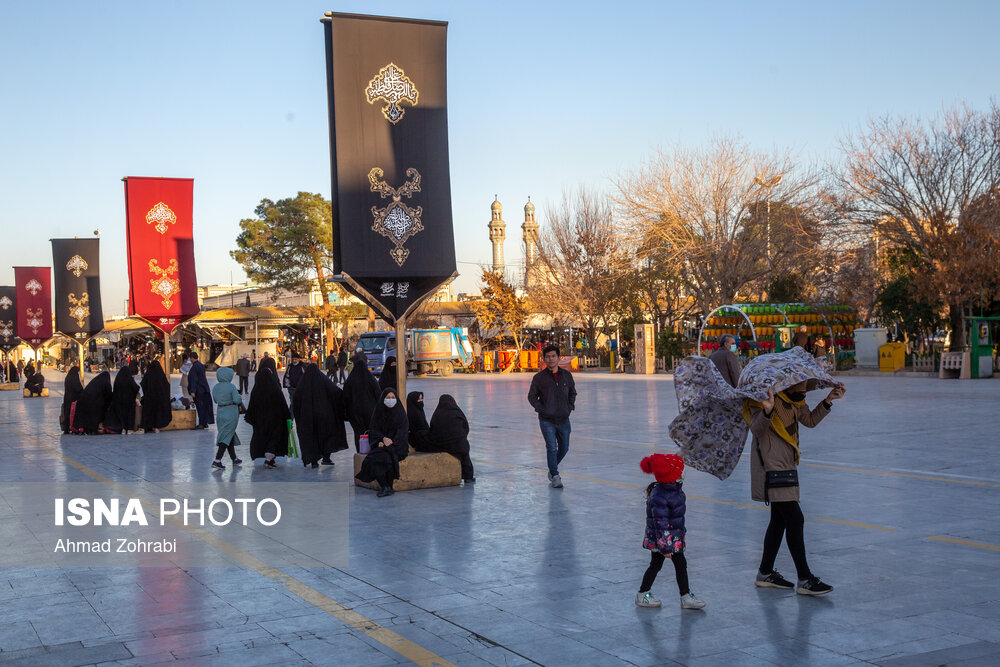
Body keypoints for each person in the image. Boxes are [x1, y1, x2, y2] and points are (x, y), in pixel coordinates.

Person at [747, 380, 846, 596]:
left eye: (806, 386)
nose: (804, 390)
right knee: (794, 518)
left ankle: (764, 572)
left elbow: (809, 421)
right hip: (771, 466)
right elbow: (756, 429)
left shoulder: (796, 400)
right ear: (786, 383)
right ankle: (805, 578)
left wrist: (828, 401)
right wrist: (767, 410)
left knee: (779, 520)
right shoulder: (764, 397)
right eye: (801, 386)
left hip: (788, 464)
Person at [635, 453, 706, 610]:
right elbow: (661, 523)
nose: (683, 472)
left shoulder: (674, 490)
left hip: (672, 538)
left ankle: (685, 596)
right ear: (672, 475)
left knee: (677, 564)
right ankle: (644, 594)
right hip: (663, 540)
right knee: (657, 564)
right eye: (680, 470)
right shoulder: (660, 495)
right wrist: (666, 547)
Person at [527, 344, 576, 488]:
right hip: (547, 420)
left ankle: (552, 468)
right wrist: (541, 409)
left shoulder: (566, 375)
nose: (551, 359)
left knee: (564, 447)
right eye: (548, 357)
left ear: (559, 358)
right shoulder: (539, 378)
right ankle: (555, 475)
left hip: (563, 419)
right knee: (551, 448)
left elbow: (572, 393)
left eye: (553, 356)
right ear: (544, 359)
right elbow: (531, 396)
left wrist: (569, 407)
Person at [292, 364, 348, 468]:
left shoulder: (303, 382)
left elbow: (296, 398)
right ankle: (326, 457)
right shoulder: (323, 379)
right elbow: (335, 391)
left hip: (307, 417)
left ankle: (313, 461)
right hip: (324, 415)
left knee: (311, 438)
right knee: (326, 436)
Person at [355, 388, 409, 496]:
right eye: (388, 397)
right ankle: (386, 486)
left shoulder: (400, 413)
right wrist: (380, 440)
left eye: (393, 397)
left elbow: (402, 431)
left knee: (386, 458)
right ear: (383, 399)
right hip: (382, 445)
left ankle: (386, 486)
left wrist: (391, 441)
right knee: (372, 459)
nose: (390, 400)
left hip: (398, 446)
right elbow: (374, 431)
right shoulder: (378, 412)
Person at [244, 365, 289, 468]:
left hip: (261, 421)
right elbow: (283, 403)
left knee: (264, 438)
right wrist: (287, 416)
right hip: (275, 420)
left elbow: (252, 405)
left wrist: (249, 417)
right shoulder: (275, 389)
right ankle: (268, 459)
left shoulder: (256, 390)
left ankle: (270, 459)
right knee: (274, 438)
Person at [429, 394, 476, 483]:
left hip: (442, 444)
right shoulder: (457, 412)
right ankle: (468, 477)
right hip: (459, 444)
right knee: (465, 455)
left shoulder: (437, 414)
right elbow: (466, 427)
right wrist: (461, 437)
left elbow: (432, 429)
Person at [343, 352, 381, 451]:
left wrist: (345, 412)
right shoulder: (371, 379)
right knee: (371, 431)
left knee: (358, 433)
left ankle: (361, 451)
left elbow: (345, 398)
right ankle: (372, 450)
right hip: (370, 411)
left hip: (354, 413)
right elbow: (378, 395)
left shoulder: (350, 381)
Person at [210, 367, 244, 470]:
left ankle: (234, 458)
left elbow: (215, 400)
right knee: (226, 435)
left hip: (220, 412)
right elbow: (237, 400)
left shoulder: (215, 387)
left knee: (228, 434)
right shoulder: (231, 387)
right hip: (230, 412)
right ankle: (217, 460)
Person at [104, 364, 140, 434]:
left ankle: (123, 428)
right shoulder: (129, 379)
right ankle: (129, 429)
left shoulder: (118, 379)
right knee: (129, 414)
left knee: (121, 415)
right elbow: (135, 387)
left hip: (118, 401)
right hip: (129, 401)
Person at [139, 360, 173, 433]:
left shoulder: (149, 374)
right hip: (159, 399)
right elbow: (166, 386)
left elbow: (143, 383)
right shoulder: (161, 375)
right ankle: (156, 427)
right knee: (158, 412)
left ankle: (147, 426)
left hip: (149, 398)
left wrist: (147, 392)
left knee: (148, 412)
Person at [187, 352, 214, 429]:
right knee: (205, 406)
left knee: (200, 406)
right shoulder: (201, 365)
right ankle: (205, 422)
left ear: (192, 358)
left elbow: (194, 379)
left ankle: (202, 423)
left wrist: (192, 391)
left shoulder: (195, 367)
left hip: (198, 390)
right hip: (204, 389)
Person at [60, 366, 84, 433]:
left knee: (67, 413)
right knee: (71, 413)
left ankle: (66, 428)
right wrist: (82, 391)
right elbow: (77, 387)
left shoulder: (69, 376)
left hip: (67, 397)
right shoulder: (74, 377)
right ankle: (73, 427)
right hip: (72, 398)